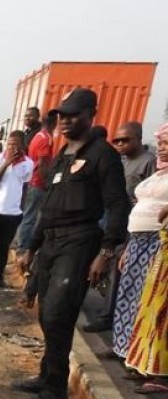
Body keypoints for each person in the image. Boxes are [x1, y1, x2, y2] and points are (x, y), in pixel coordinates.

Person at [13, 88, 130, 399]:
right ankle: (45, 375)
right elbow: (47, 207)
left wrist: (106, 252)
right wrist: (31, 246)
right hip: (51, 241)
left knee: (58, 314)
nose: (64, 121)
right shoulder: (64, 153)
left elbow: (117, 205)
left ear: (91, 114)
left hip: (79, 241)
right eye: (61, 116)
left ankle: (55, 390)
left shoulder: (102, 155)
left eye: (73, 115)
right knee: (46, 312)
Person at [84, 121, 158, 332]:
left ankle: (109, 317)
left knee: (118, 269)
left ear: (138, 139)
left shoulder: (148, 162)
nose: (119, 144)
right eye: (116, 141)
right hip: (111, 220)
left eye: (125, 140)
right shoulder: (120, 162)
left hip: (132, 225)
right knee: (100, 263)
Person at [112, 123, 168, 375]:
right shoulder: (158, 173)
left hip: (159, 243)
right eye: (161, 144)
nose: (162, 149)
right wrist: (127, 247)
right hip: (137, 241)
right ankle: (125, 349)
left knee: (149, 301)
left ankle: (147, 363)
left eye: (167, 144)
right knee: (128, 295)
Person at [0, 131, 34, 287]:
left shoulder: (28, 163)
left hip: (12, 212)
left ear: (23, 145)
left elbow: (24, 186)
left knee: (3, 247)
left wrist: (20, 208)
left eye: (15, 144)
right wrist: (6, 163)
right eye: (9, 144)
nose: (11, 147)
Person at [15, 109, 57, 254]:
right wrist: (46, 184)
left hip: (31, 180)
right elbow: (42, 164)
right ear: (54, 123)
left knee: (27, 214)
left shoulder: (37, 136)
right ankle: (23, 248)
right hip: (37, 182)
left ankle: (21, 244)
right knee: (31, 217)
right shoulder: (45, 138)